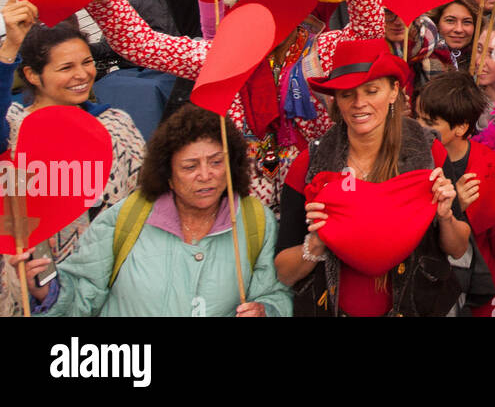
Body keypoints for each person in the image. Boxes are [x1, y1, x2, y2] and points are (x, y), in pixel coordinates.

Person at [84, 0, 385, 212]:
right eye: (262, 1)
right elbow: (139, 44)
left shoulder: (323, 49)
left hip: (320, 194)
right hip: (243, 209)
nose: (274, 11)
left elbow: (369, 33)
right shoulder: (226, 55)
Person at [11, 103, 289, 317]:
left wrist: (266, 310)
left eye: (216, 162)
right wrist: (46, 291)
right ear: (167, 174)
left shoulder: (254, 219)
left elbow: (275, 294)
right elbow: (83, 291)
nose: (206, 175)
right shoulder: (126, 217)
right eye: (190, 167)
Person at [275, 40, 469, 317]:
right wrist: (317, 241)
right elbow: (284, 272)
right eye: (347, 94)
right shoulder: (310, 165)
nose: (359, 104)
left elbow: (459, 248)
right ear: (335, 100)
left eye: (371, 90)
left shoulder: (428, 152)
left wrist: (446, 216)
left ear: (394, 92)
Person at [0, 0, 147, 316]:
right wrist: (9, 47)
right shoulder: (13, 131)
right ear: (33, 75)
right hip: (31, 289)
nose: (82, 74)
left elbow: (145, 205)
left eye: (87, 62)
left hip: (113, 290)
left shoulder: (116, 126)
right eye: (66, 67)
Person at [429, 0, 480, 72]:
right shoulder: (421, 60)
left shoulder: (484, 61)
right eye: (450, 21)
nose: (459, 29)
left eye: (467, 22)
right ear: (436, 23)